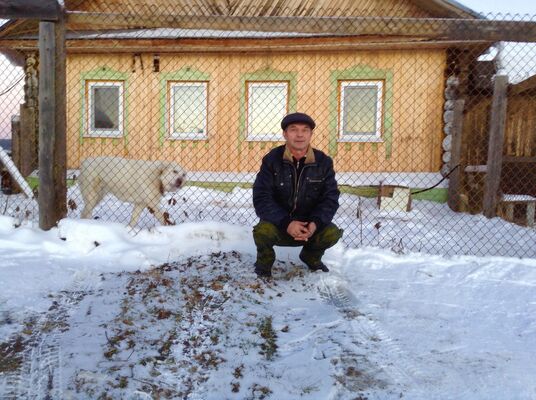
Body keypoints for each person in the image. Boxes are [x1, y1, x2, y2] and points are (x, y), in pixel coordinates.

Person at [252, 112, 343, 278]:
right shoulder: (272, 160)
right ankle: (264, 264)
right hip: (280, 225)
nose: (300, 135)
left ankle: (311, 257)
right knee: (262, 231)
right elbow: (261, 197)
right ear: (285, 134)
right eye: (293, 129)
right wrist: (287, 223)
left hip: (309, 228)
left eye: (305, 130)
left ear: (311, 134)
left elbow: (330, 198)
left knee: (332, 232)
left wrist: (315, 223)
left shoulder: (323, 162)